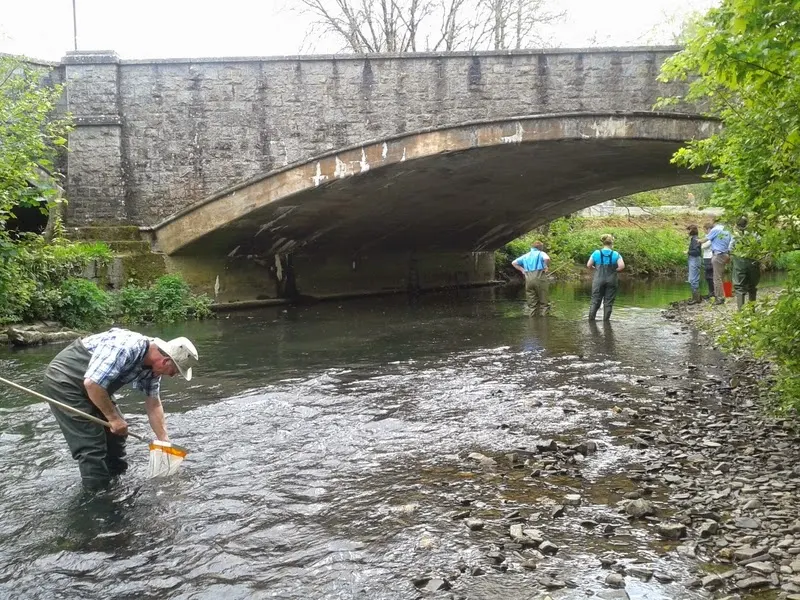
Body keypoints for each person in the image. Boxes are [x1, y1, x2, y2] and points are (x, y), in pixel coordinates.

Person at [42, 328, 198, 489]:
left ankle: (116, 483)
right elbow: (92, 384)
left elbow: (154, 403)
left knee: (116, 436)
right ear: (165, 361)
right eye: (174, 372)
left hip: (96, 385)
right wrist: (114, 418)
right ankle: (97, 497)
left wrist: (163, 440)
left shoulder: (153, 368)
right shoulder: (126, 348)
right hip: (65, 380)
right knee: (92, 447)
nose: (172, 376)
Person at [587, 234, 625, 321]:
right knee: (608, 302)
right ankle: (606, 322)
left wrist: (595, 268)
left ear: (603, 242)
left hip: (598, 279)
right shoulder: (616, 254)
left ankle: (591, 321)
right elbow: (622, 266)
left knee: (595, 300)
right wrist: (614, 270)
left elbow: (589, 265)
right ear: (612, 243)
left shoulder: (596, 253)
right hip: (612, 279)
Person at [512, 240, 551, 316]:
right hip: (539, 279)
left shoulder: (526, 255)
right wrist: (545, 266)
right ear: (540, 248)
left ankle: (532, 322)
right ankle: (544, 323)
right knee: (544, 303)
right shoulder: (541, 253)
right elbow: (547, 258)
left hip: (528, 280)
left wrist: (522, 270)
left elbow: (514, 263)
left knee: (532, 305)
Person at [730, 216, 761, 310]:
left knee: (739, 287)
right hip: (753, 262)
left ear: (737, 225)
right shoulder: (754, 234)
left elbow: (730, 248)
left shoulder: (735, 235)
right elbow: (760, 243)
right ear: (747, 224)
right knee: (752, 287)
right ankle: (752, 310)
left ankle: (741, 311)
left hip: (739, 263)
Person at [699, 217, 731, 305]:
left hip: (717, 255)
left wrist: (698, 241)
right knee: (725, 276)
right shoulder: (727, 231)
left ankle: (719, 298)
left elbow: (704, 241)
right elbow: (731, 242)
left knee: (717, 277)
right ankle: (728, 294)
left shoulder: (715, 230)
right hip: (727, 254)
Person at [686, 224, 703, 304]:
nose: (687, 232)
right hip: (694, 259)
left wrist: (688, 252)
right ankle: (697, 297)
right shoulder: (694, 239)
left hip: (694, 259)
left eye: (688, 230)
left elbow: (697, 252)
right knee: (693, 279)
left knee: (693, 279)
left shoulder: (695, 239)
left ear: (691, 230)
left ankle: (696, 298)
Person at [701, 223, 715, 301]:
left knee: (710, 276)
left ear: (708, 229)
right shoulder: (709, 237)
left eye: (705, 229)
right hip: (708, 257)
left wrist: (701, 243)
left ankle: (713, 293)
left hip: (709, 257)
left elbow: (703, 246)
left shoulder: (710, 236)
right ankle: (712, 292)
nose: (704, 231)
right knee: (709, 276)